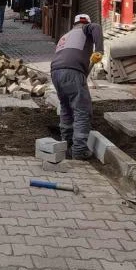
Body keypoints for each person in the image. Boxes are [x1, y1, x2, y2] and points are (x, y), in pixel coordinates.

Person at [50, 14, 103, 160]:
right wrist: (99, 50)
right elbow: (97, 27)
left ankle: (66, 144)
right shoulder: (86, 28)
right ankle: (79, 151)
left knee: (66, 107)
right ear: (85, 23)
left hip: (55, 73)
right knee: (82, 110)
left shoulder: (65, 36)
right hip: (72, 71)